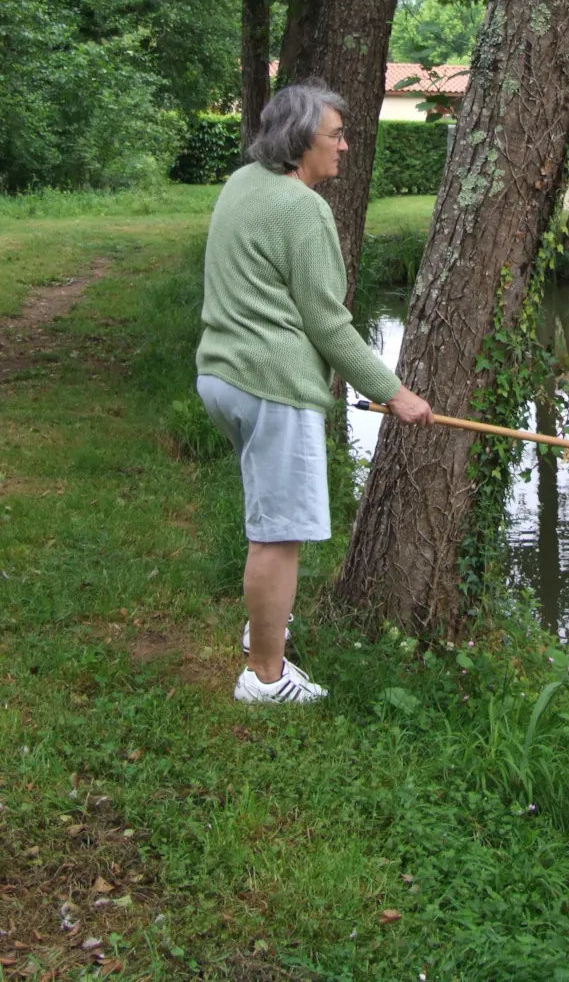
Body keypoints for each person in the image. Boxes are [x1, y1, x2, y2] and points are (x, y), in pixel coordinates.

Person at [195, 79, 433, 704]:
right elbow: (328, 321)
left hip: (221, 376)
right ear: (301, 142)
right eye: (336, 136)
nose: (346, 147)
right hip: (271, 387)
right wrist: (394, 393)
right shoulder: (303, 208)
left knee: (270, 518)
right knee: (278, 532)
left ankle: (265, 627)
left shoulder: (242, 183)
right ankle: (265, 678)